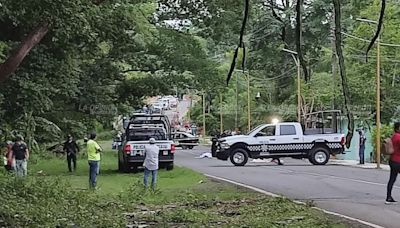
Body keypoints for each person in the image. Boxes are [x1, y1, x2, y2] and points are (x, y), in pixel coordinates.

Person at [386, 122, 400, 204]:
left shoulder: (394, 136)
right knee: (392, 179)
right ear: (398, 128)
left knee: (392, 179)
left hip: (392, 160)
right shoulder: (399, 137)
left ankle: (388, 196)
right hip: (398, 161)